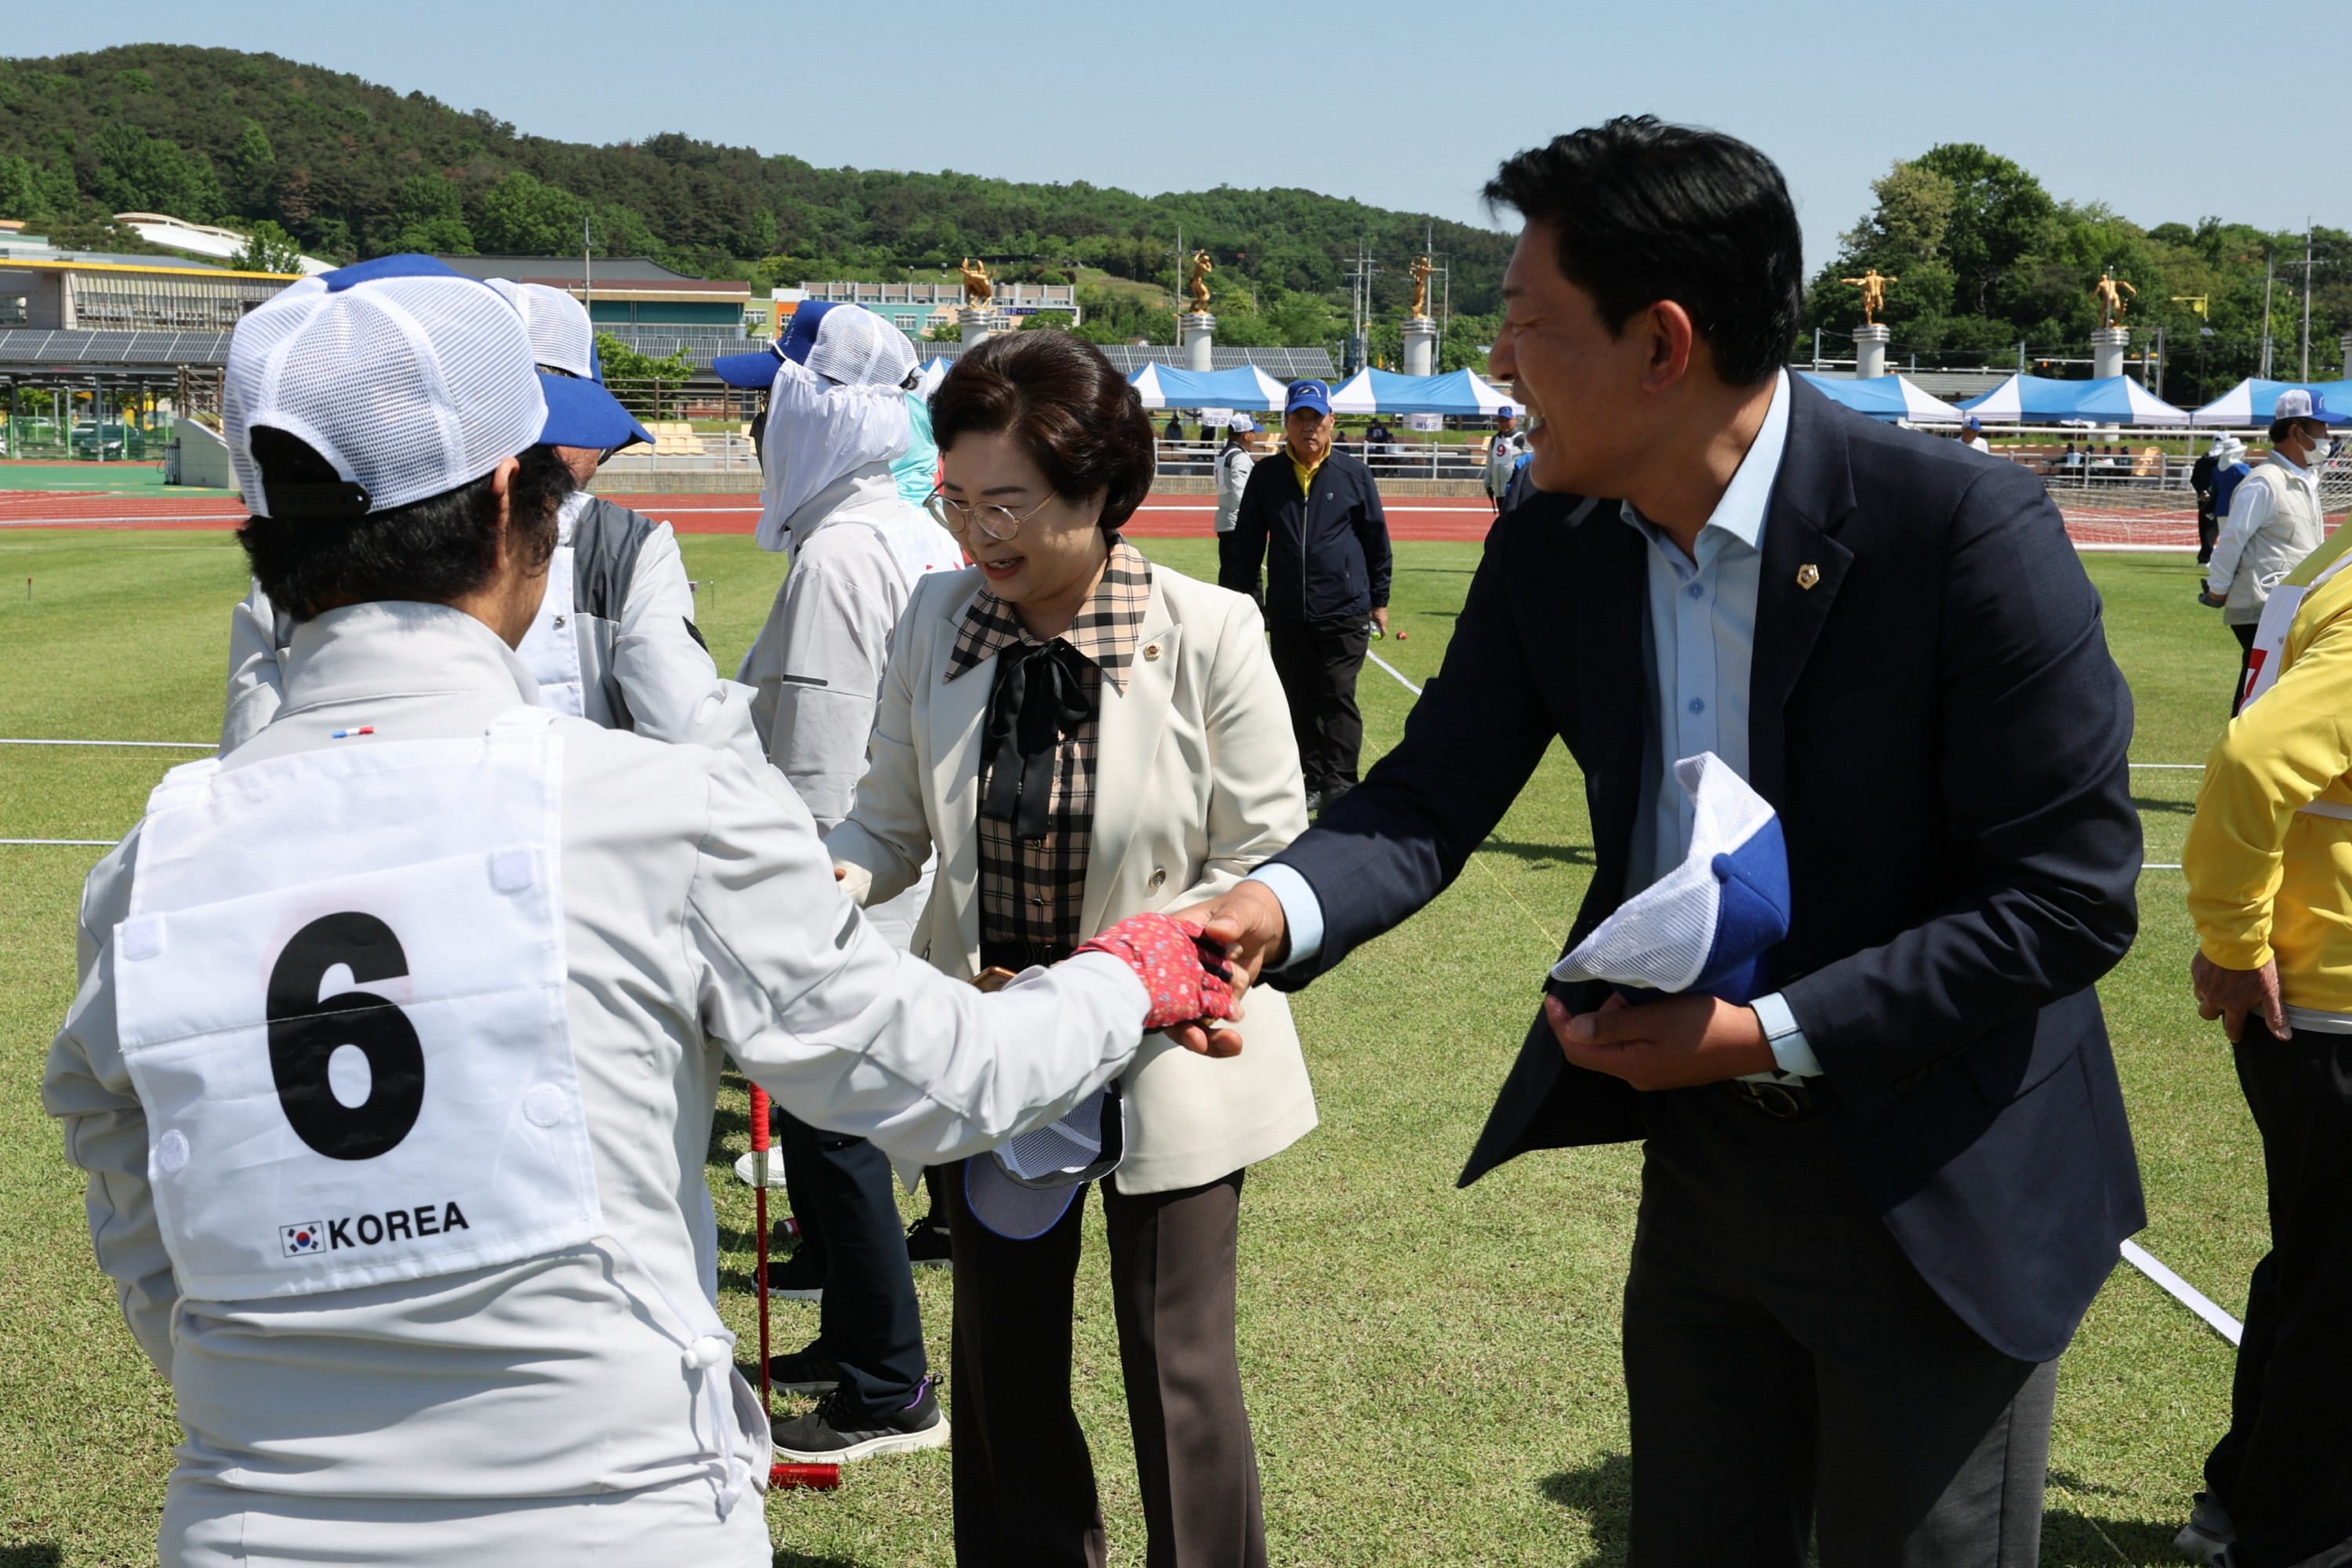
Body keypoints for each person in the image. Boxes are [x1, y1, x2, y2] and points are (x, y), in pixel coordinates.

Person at [42, 255, 1245, 1567]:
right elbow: (946, 1075)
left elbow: (129, 1189)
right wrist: (1137, 970)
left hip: (249, 1523)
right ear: (519, 503)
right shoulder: (653, 812)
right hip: (615, 1519)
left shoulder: (151, 864)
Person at [1178, 116, 2146, 1566]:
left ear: (1662, 344)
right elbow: (1428, 799)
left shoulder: (1964, 534)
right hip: (1710, 1178)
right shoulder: (1555, 544)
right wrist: (1264, 911)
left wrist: (1766, 1034)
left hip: (1944, 1175)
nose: (1498, 366)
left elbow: (2067, 904)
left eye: (1527, 326)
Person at [824, 329, 1318, 1567]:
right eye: (958, 499)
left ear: (1102, 496)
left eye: (1011, 506)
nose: (978, 536)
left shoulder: (1210, 631)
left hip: (1171, 1037)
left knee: (1179, 1364)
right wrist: (817, 882)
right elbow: (887, 819)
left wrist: (1139, 973)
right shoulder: (939, 614)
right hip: (995, 1044)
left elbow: (1268, 854)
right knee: (1001, 1363)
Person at [717, 301, 966, 1458]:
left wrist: (789, 910)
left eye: (773, 401)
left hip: (852, 881)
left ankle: (887, 1386)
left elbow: (815, 772)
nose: (762, 425)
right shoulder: (908, 527)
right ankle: (848, 1326)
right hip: (911, 866)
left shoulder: (840, 554)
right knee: (836, 1133)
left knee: (837, 1130)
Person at [216, 278, 764, 771]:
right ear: (502, 494)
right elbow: (699, 739)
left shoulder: (304, 546)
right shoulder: (626, 547)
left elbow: (246, 759)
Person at [2178, 500, 2352, 1568]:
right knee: (2338, 1294)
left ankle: (2245, 1501)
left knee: (2319, 1273)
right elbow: (2256, 761)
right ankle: (2303, 1538)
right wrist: (2235, 939)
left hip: (2320, 998)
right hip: (2335, 1004)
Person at [1218, 379, 1392, 814]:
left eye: (1316, 418)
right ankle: (1311, 778)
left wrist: (1380, 598)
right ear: (1286, 424)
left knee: (1336, 693)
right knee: (1296, 697)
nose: (1308, 427)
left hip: (1345, 608)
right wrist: (1240, 602)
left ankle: (1342, 783)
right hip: (1290, 610)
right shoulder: (1267, 475)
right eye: (1299, 418)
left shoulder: (1355, 474)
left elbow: (1376, 539)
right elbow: (1247, 544)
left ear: (1331, 421)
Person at [2205, 391, 2336, 715]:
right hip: (2261, 607)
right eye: (2321, 427)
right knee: (2261, 694)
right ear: (2296, 431)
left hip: (2286, 606)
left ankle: (2243, 753)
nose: (2328, 436)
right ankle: (2239, 754)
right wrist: (2217, 591)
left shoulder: (2303, 480)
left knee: (2266, 692)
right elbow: (2231, 541)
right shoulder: (2263, 482)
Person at [1214, 413, 1258, 535]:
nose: (1255, 436)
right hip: (1237, 523)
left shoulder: (1224, 454)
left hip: (1224, 520)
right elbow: (1240, 492)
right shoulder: (1239, 457)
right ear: (1246, 435)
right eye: (1253, 432)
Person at [1485, 405, 1530, 513]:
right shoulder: (1495, 439)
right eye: (1501, 420)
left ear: (1515, 420)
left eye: (1507, 420)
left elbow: (1530, 462)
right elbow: (1490, 462)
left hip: (1514, 489)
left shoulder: (1521, 439)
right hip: (1499, 490)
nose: (1504, 423)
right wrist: (1487, 482)